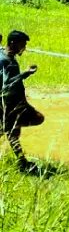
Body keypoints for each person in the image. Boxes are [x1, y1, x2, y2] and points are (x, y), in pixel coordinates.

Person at [0, 31, 45, 172]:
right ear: (13, 43)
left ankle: (22, 162)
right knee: (13, 131)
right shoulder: (5, 61)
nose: (24, 48)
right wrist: (25, 73)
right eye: (22, 44)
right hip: (8, 104)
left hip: (17, 103)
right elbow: (5, 86)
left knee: (31, 121)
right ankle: (22, 163)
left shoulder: (7, 56)